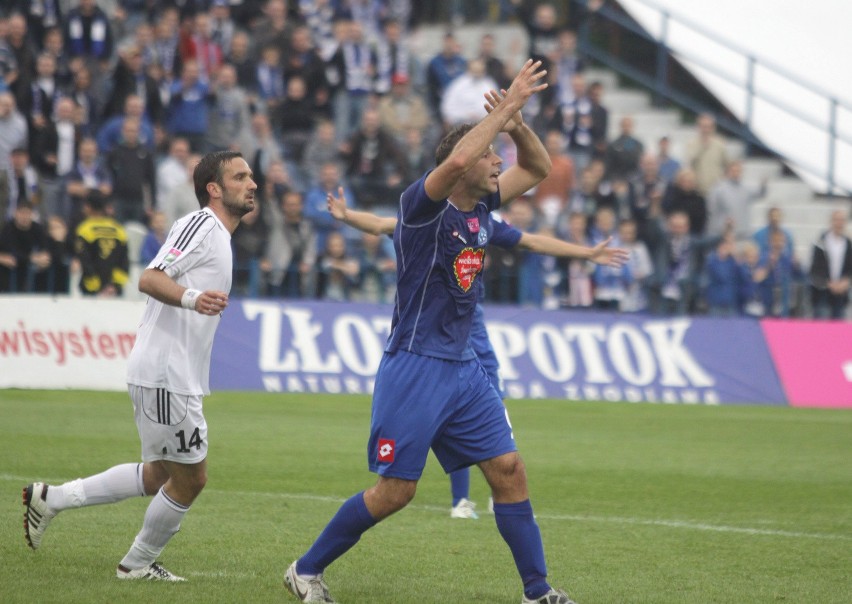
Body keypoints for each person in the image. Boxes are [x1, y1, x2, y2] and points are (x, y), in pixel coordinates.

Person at [282, 60, 577, 604]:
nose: (497, 163)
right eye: (491, 155)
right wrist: (506, 106)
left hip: (463, 367)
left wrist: (514, 125)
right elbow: (464, 154)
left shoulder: (483, 204)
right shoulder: (419, 207)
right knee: (396, 492)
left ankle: (537, 592)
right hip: (415, 364)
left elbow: (538, 165)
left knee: (509, 470)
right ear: (459, 166)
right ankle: (304, 569)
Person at [325, 183, 628, 520]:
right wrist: (346, 215)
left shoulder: (484, 223)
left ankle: (496, 491)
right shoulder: (432, 220)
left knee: (486, 410)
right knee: (446, 412)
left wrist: (586, 254)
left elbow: (532, 241)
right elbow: (383, 224)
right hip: (436, 335)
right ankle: (461, 501)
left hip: (473, 330)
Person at [23, 150, 257, 581]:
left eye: (251, 176)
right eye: (240, 177)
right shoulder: (200, 225)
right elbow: (149, 277)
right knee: (191, 479)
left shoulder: (220, 236)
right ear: (214, 188)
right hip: (167, 373)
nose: (252, 183)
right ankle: (137, 563)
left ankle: (51, 498)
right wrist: (192, 297)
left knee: (157, 475)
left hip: (171, 372)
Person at [73, 191, 130, 297]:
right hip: (113, 291)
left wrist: (95, 287)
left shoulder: (84, 230)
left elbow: (85, 261)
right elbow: (124, 261)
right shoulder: (119, 229)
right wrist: (115, 286)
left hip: (91, 290)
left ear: (88, 207)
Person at [808, 209, 852, 319]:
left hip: (841, 293)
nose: (839, 223)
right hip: (822, 291)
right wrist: (828, 283)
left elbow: (849, 267)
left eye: (842, 220)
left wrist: (845, 281)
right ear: (831, 221)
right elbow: (815, 268)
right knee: (821, 322)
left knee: (838, 325)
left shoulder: (847, 243)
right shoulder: (821, 242)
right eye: (836, 220)